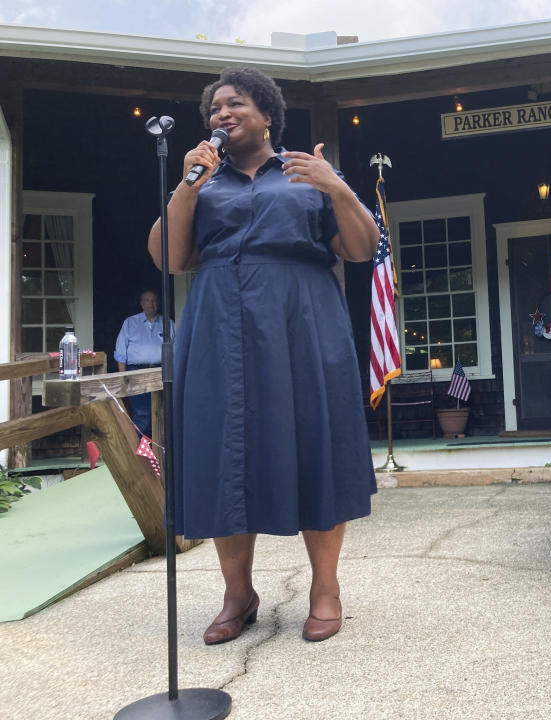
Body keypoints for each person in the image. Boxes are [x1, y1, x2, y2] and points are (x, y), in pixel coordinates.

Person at [147, 67, 380, 645]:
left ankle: (325, 589)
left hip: (301, 319)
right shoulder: (204, 183)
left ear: (268, 114)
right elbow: (170, 258)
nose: (222, 115)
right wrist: (186, 186)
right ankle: (238, 594)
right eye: (215, 109)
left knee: (312, 441)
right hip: (220, 324)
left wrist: (338, 187)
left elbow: (360, 248)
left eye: (236, 104)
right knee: (227, 451)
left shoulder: (306, 173)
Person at [114, 289, 171, 437]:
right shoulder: (130, 323)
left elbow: (175, 352)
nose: (151, 304)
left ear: (158, 303)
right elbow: (120, 352)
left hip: (161, 372)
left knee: (163, 413)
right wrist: (123, 378)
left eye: (154, 300)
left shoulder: (167, 323)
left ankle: (159, 453)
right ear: (141, 303)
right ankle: (134, 452)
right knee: (142, 415)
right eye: (147, 300)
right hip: (136, 373)